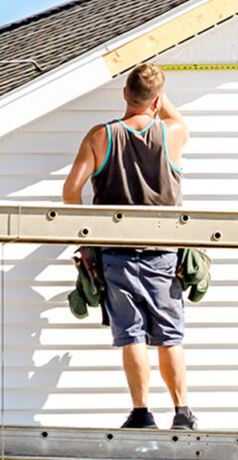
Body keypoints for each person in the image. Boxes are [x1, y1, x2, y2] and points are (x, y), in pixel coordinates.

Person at [63, 63, 197, 430]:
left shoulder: (100, 137)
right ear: (156, 101)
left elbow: (70, 191)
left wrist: (87, 240)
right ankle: (182, 412)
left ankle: (141, 413)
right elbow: (172, 115)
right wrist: (158, 98)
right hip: (163, 251)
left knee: (131, 333)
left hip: (117, 253)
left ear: (124, 94)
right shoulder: (173, 133)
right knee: (169, 336)